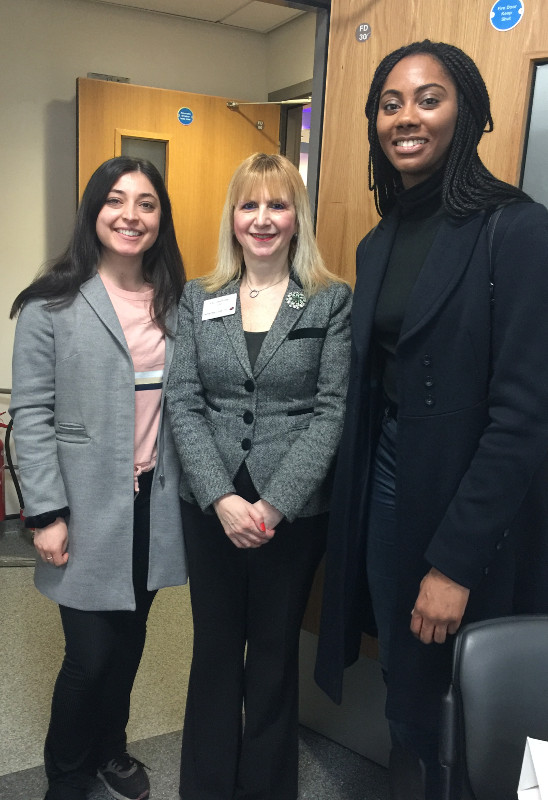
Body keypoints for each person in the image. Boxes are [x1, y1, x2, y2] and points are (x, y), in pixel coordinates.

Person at [314, 39, 548, 800]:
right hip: (389, 490)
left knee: (493, 717)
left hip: (478, 513)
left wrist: (452, 563)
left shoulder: (515, 230)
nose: (406, 117)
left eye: (428, 97)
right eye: (390, 102)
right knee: (411, 693)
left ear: (467, 111)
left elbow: (523, 415)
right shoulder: (376, 242)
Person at [166, 152, 351, 800]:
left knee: (273, 656)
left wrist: (272, 503)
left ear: (296, 216)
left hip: (292, 514)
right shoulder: (200, 296)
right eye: (250, 205)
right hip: (208, 505)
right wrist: (220, 495)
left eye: (277, 205)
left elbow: (332, 412)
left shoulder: (329, 301)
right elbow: (182, 399)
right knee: (216, 653)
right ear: (234, 217)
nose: (263, 218)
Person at [9, 156, 187, 800]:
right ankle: (67, 773)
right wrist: (46, 513)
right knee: (89, 656)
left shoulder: (179, 302)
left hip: (155, 507)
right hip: (84, 509)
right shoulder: (52, 303)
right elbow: (30, 415)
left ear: (160, 218)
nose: (130, 216)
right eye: (116, 200)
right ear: (94, 211)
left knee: (132, 642)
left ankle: (113, 749)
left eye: (146, 203)